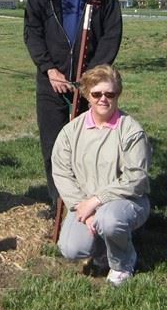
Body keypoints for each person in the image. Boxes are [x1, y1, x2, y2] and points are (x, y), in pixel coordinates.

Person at [24, 0, 123, 217]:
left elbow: (112, 32)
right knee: (54, 145)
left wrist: (92, 74)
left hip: (90, 84)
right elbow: (32, 31)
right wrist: (49, 69)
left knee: (91, 144)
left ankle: (93, 201)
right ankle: (58, 204)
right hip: (51, 82)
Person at [52, 65, 151, 286]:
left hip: (125, 202)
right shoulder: (71, 131)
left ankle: (123, 262)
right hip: (85, 205)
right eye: (97, 94)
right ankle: (104, 248)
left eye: (110, 94)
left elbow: (136, 178)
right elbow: (61, 172)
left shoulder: (131, 130)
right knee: (70, 248)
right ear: (87, 95)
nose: (103, 99)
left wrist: (97, 200)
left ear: (118, 94)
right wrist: (82, 208)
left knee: (109, 220)